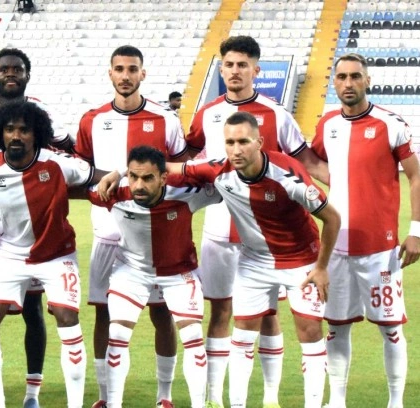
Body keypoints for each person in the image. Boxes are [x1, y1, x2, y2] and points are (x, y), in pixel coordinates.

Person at [103, 111, 338, 408]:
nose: (236, 150)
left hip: (300, 260)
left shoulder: (288, 176)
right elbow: (166, 167)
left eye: (243, 142)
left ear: (259, 143)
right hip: (254, 261)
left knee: (310, 332)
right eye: (230, 142)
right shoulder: (217, 170)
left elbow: (332, 218)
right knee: (242, 336)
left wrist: (321, 267)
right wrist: (119, 172)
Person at [179, 35, 328, 408]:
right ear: (221, 69)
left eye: (242, 65)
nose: (235, 71)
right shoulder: (206, 113)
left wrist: (347, 187)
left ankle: (271, 397)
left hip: (268, 239)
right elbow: (188, 162)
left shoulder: (277, 115)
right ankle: (214, 398)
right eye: (229, 64)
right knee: (220, 311)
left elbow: (305, 162)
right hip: (219, 231)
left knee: (268, 315)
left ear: (255, 70)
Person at [0, 100, 113, 408]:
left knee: (67, 317)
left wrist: (121, 175)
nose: (16, 136)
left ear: (36, 134)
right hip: (9, 254)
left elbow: (98, 175)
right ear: (0, 133)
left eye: (24, 130)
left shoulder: (58, 163)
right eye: (9, 129)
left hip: (56, 255)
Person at [0, 47, 74, 408]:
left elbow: (67, 149)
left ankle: (32, 393)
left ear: (27, 75)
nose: (11, 74)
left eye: (17, 69)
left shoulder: (40, 111)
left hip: (30, 226)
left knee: (34, 310)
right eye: (4, 69)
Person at [74, 44, 188, 408]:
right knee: (103, 313)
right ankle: (105, 396)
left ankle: (164, 395)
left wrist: (126, 175)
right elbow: (81, 170)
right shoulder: (92, 120)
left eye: (132, 69)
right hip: (107, 235)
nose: (126, 76)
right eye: (119, 69)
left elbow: (180, 169)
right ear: (110, 73)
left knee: (161, 313)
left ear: (143, 73)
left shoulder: (165, 119)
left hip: (153, 238)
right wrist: (104, 182)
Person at [312, 53, 420, 408]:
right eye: (342, 77)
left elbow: (416, 176)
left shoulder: (391, 123)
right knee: (336, 326)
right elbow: (311, 160)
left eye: (355, 76)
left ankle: (395, 402)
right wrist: (337, 179)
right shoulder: (327, 124)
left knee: (390, 329)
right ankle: (337, 401)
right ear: (334, 82)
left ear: (367, 80)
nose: (348, 83)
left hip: (380, 249)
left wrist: (417, 230)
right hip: (336, 247)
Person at [86, 145, 221, 408]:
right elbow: (73, 184)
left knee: (192, 335)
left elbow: (223, 178)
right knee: (117, 333)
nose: (139, 185)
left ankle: (173, 399)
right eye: (133, 177)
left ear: (163, 177)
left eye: (148, 178)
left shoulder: (186, 194)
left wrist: (192, 166)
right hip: (132, 272)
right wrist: (116, 174)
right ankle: (113, 404)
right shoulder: (113, 193)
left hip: (179, 272)